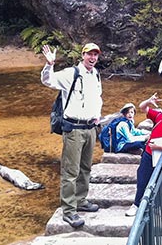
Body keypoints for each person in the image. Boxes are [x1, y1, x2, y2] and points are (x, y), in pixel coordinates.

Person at [41, 43, 103, 229]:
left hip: (90, 127)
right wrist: (49, 64)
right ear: (82, 55)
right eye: (89, 54)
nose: (92, 58)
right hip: (74, 129)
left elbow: (97, 97)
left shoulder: (96, 75)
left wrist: (97, 116)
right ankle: (68, 210)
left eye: (95, 55)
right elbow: (48, 81)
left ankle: (81, 200)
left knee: (85, 168)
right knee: (70, 171)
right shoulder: (71, 73)